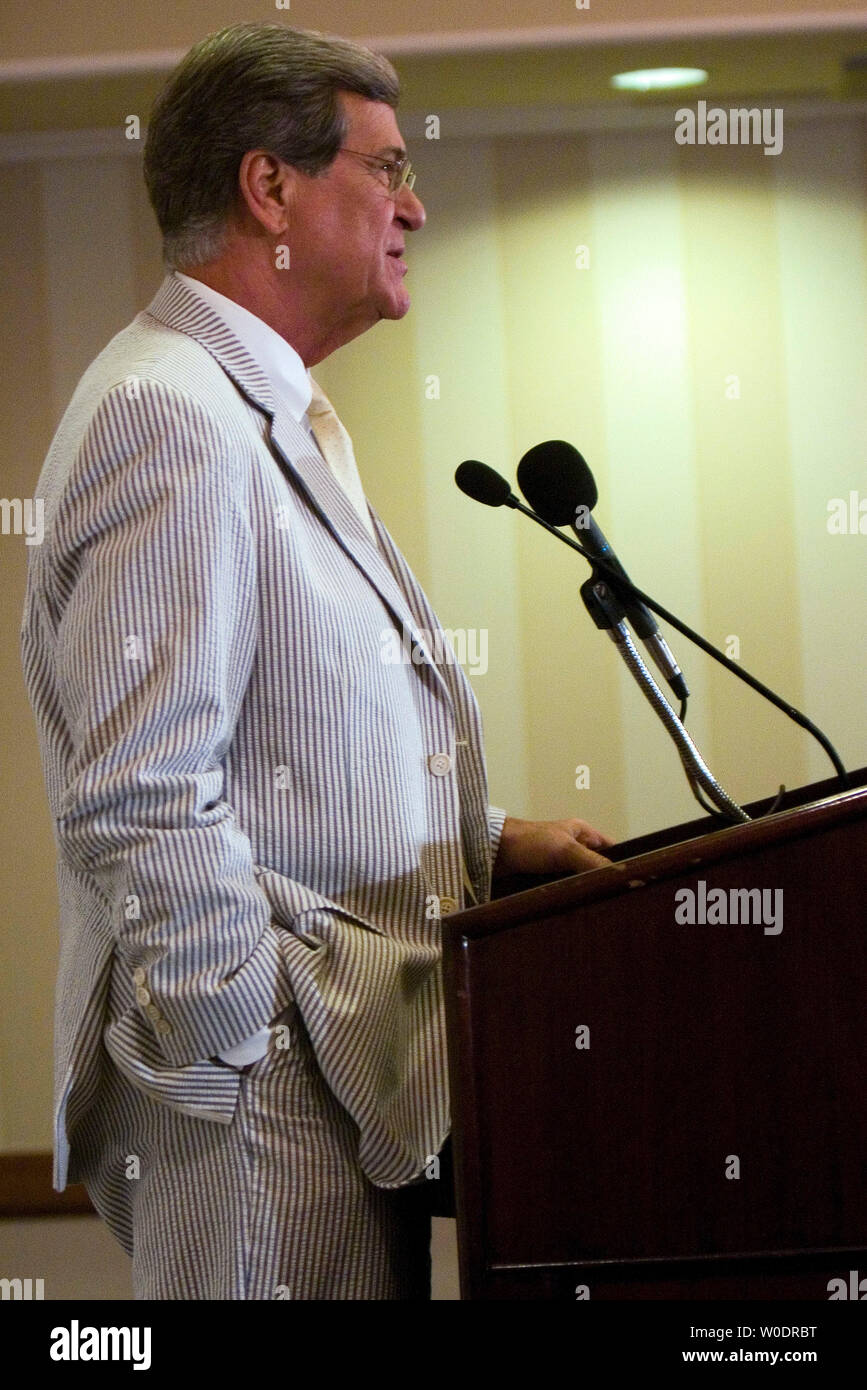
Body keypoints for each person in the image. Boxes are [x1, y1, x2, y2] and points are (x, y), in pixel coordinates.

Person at [20, 21, 612, 1300]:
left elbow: (282, 754)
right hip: (269, 1100)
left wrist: (486, 838)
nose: (416, 204)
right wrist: (236, 1045)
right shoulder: (168, 416)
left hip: (341, 1082)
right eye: (387, 167)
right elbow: (141, 793)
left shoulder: (251, 406)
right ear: (269, 187)